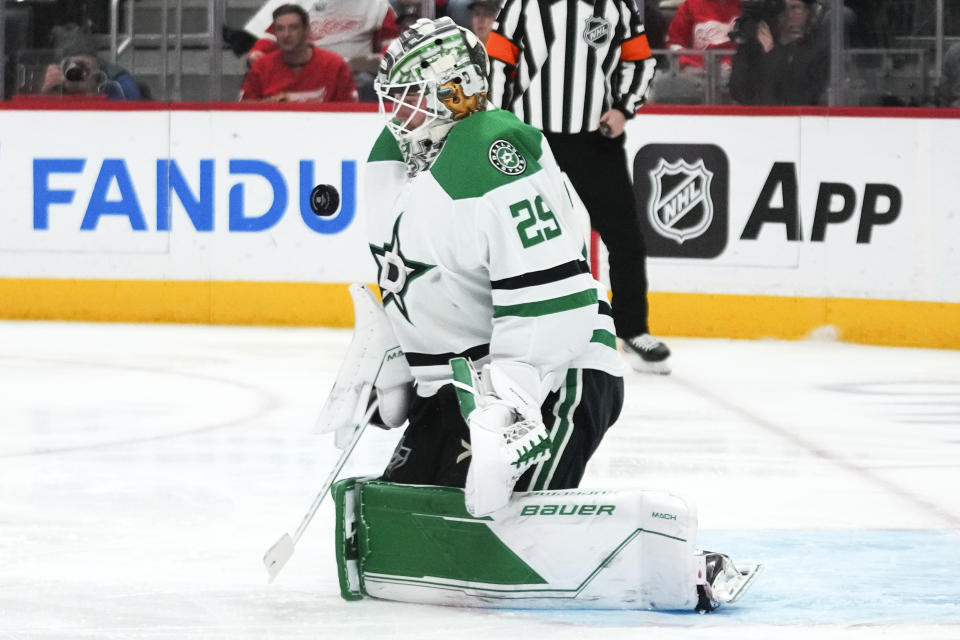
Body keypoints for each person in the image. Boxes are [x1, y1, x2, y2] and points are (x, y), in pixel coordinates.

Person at [365, 17, 625, 514]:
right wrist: (395, 363)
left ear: (453, 91)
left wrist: (512, 407)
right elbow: (413, 283)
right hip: (463, 387)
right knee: (410, 518)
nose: (395, 111)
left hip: (555, 377)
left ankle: (693, 569)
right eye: (392, 96)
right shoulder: (400, 162)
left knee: (498, 524)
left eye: (410, 96)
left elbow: (552, 301)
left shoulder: (491, 153)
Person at [487, 0, 672, 374]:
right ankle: (496, 330)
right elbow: (496, 61)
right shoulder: (522, 4)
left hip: (595, 140)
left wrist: (623, 108)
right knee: (509, 237)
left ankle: (633, 329)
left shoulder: (616, 5)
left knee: (625, 238)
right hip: (530, 139)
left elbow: (640, 61)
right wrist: (498, 121)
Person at [243, 0, 399, 101]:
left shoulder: (378, 5)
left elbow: (392, 43)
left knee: (367, 84)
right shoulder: (294, 3)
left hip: (356, 72)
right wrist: (258, 52)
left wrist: (384, 58)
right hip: (306, 66)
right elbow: (272, 36)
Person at [240, 4, 358, 103]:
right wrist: (271, 103)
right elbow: (244, 110)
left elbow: (350, 113)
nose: (286, 34)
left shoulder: (335, 65)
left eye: (293, 28)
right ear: (275, 33)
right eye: (280, 29)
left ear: (307, 30)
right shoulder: (261, 67)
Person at [728, 0, 829, 106]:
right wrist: (746, 46)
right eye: (783, 9)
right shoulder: (756, 48)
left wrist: (771, 52)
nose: (789, 15)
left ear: (808, 11)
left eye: (795, 8)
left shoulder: (817, 49)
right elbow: (739, 93)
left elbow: (800, 97)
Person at [40, 26, 142, 100]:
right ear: (60, 67)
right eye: (70, 66)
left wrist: (92, 91)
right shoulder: (55, 80)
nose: (77, 72)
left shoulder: (117, 82)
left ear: (97, 63)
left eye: (83, 65)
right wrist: (48, 93)